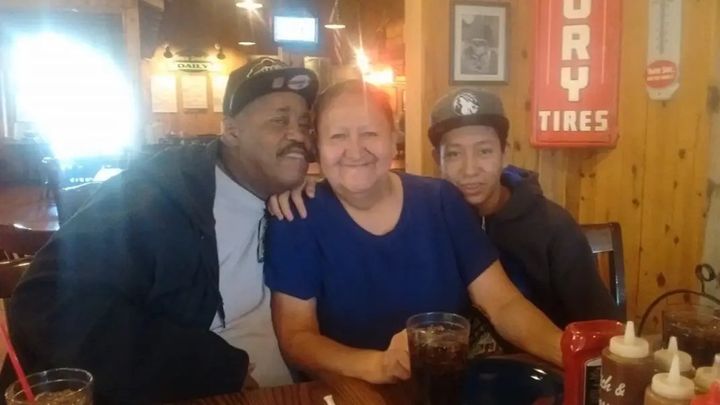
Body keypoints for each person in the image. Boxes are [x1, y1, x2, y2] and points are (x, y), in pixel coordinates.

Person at [8, 57, 319, 403]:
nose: (298, 135)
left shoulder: (298, 202)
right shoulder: (155, 198)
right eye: (279, 121)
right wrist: (208, 367)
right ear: (231, 131)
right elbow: (45, 304)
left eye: (304, 123)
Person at [265, 80, 562, 384]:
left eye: (370, 133)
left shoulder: (442, 201)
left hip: (443, 383)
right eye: (338, 136)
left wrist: (570, 352)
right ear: (317, 147)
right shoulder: (297, 216)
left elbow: (503, 303)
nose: (354, 150)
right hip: (347, 390)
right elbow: (297, 338)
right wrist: (378, 365)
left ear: (394, 138)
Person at [427, 88, 621, 332]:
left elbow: (599, 323)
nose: (470, 169)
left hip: (546, 352)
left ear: (504, 154)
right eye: (454, 154)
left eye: (484, 151)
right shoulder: (430, 225)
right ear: (438, 160)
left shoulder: (554, 227)